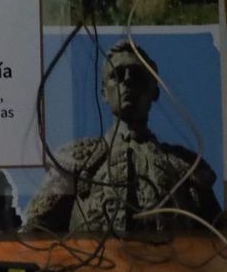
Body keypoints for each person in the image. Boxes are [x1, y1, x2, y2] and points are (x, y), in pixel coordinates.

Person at [24, 41, 222, 234]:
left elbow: (218, 238)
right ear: (104, 93)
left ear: (154, 91)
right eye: (116, 76)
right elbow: (34, 231)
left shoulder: (185, 166)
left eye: (137, 75)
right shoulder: (76, 158)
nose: (127, 81)